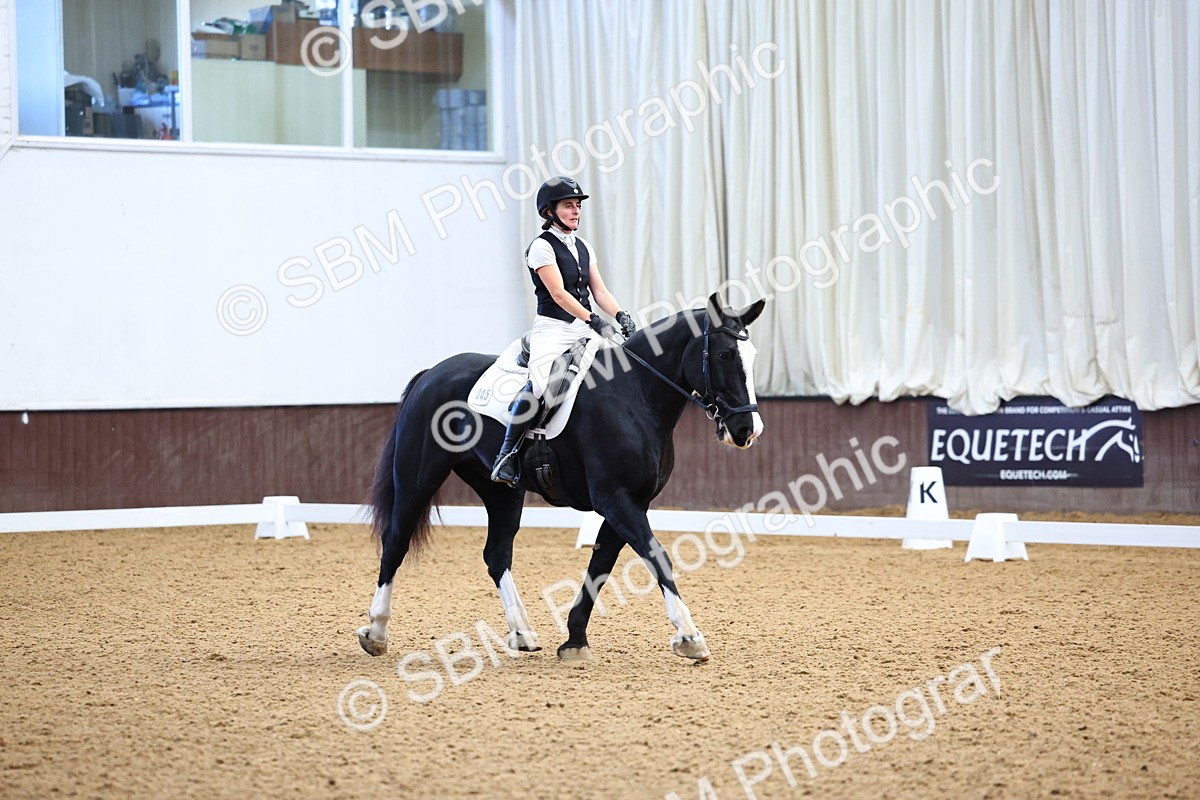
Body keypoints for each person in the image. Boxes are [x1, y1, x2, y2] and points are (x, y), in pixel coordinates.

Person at [490, 176, 638, 486]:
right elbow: (558, 294)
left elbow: (599, 290)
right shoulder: (541, 248)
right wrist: (592, 319)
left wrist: (619, 313)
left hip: (584, 328)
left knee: (620, 370)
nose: (576, 211)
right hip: (553, 329)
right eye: (568, 206)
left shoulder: (583, 246)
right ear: (549, 212)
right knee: (542, 384)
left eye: (578, 206)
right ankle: (507, 454)